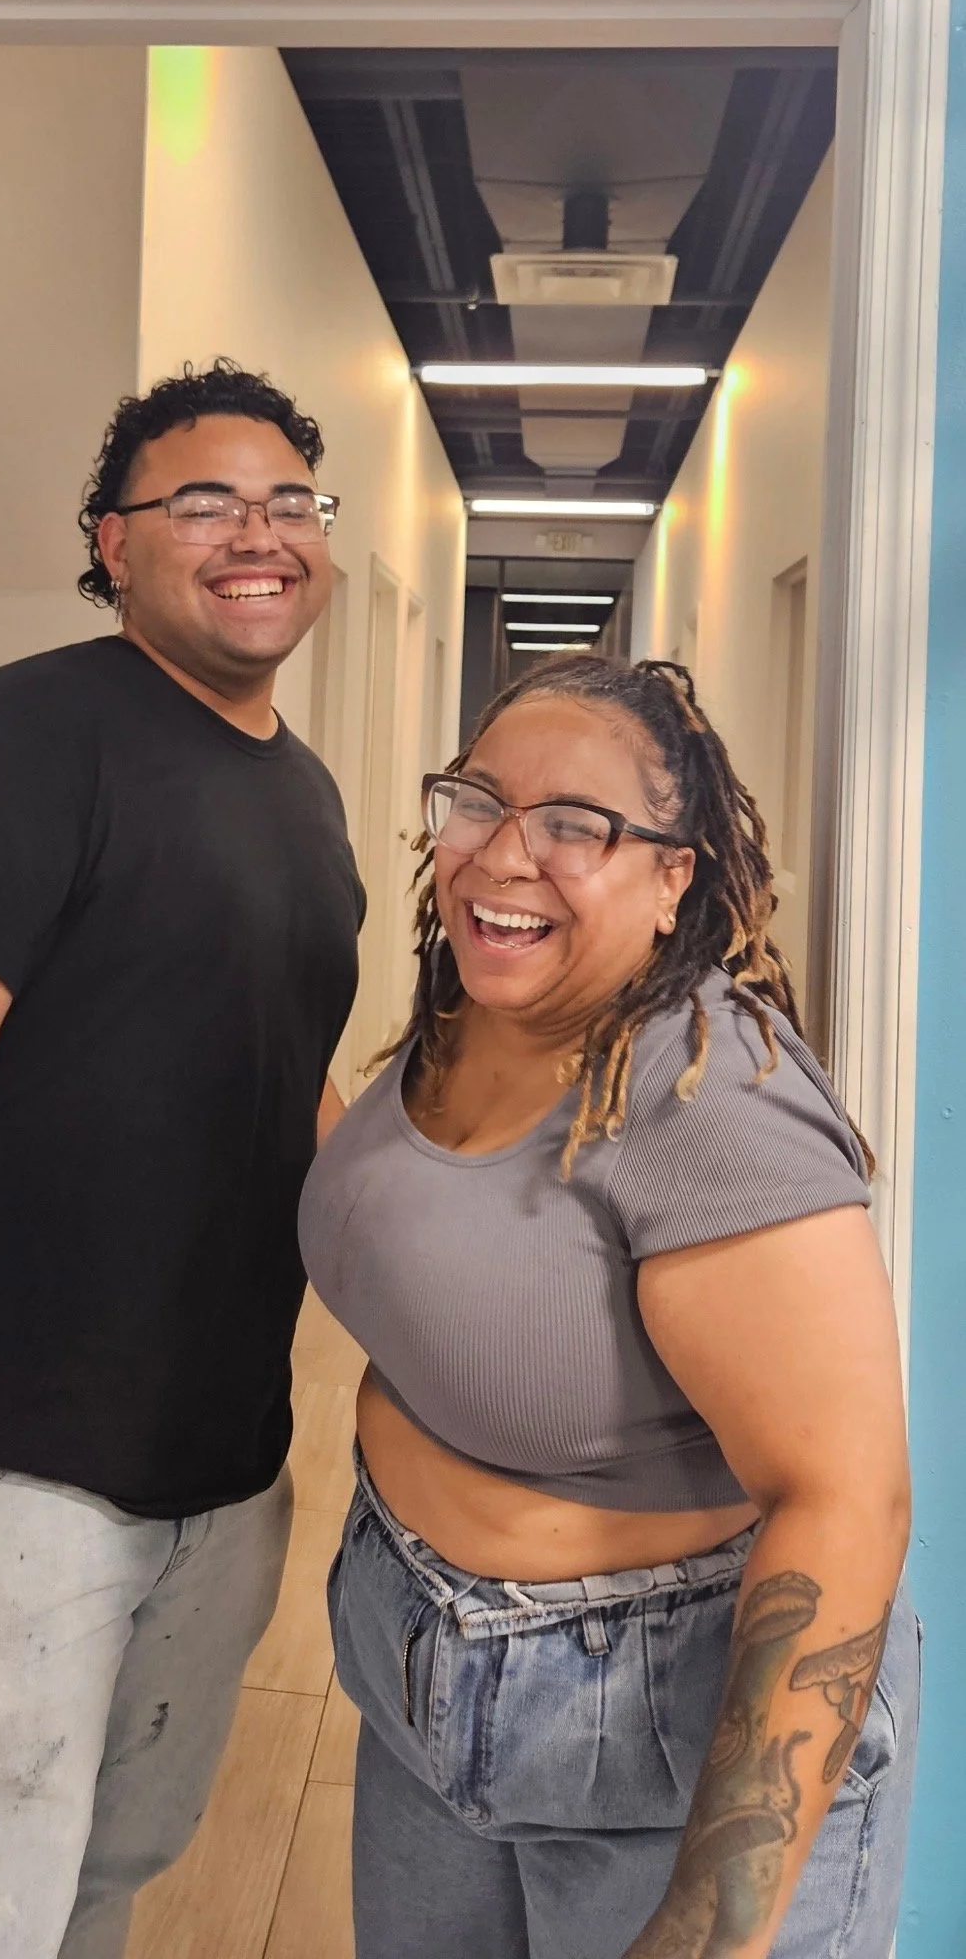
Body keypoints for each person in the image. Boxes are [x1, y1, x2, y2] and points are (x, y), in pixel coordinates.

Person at [0, 359, 364, 1959]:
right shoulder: (17, 743)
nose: (257, 533)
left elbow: (280, 1092)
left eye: (287, 501)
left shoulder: (300, 797)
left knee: (102, 1889)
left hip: (214, 1469)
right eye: (201, 502)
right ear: (110, 544)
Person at [300, 654, 918, 1959]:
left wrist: (716, 1917)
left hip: (653, 1727)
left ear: (672, 871)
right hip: (418, 1677)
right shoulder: (470, 1009)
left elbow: (844, 1497)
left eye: (575, 825)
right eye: (476, 801)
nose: (501, 856)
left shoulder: (708, 1092)